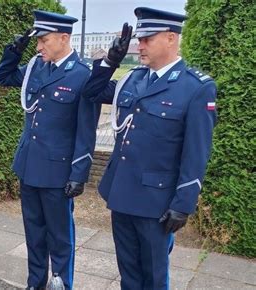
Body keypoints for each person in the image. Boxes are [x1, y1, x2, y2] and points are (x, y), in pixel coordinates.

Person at [82, 7, 217, 290]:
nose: (139, 45)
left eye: (147, 39)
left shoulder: (195, 88)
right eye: (139, 39)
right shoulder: (133, 78)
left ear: (170, 38)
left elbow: (197, 152)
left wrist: (183, 203)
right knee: (128, 274)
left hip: (157, 201)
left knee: (154, 277)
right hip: (121, 193)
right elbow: (93, 93)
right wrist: (110, 60)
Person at [0, 10, 99, 290]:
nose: (39, 46)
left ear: (64, 38)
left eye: (44, 40)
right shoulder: (35, 67)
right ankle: (35, 283)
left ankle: (62, 284)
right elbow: (3, 77)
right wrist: (14, 50)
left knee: (60, 237)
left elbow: (86, 130)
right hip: (28, 165)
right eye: (37, 41)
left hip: (58, 171)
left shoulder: (82, 75)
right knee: (34, 233)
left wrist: (79, 173)